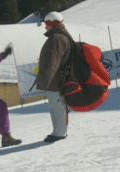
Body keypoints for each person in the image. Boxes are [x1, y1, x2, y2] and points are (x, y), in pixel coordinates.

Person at [36, 11, 73, 143]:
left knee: (57, 105)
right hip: (58, 78)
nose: (45, 27)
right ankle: (58, 131)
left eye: (47, 24)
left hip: (56, 80)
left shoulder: (56, 39)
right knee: (56, 105)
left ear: (52, 23)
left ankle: (60, 132)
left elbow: (52, 62)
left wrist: (46, 80)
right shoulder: (61, 37)